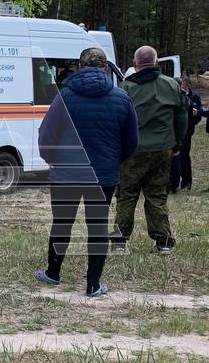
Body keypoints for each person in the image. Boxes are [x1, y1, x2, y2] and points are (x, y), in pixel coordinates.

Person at [35, 46, 138, 297]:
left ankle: (53, 273)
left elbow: (46, 136)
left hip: (66, 174)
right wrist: (113, 160)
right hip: (102, 176)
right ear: (105, 68)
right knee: (98, 227)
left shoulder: (64, 96)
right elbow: (132, 141)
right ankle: (93, 285)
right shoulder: (121, 98)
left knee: (61, 224)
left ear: (79, 67)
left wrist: (53, 160)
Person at [112, 46, 188, 254]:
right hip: (162, 149)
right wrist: (177, 144)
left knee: (127, 195)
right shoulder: (171, 85)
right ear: (156, 63)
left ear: (135, 65)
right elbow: (182, 117)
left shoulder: (124, 88)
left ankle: (119, 242)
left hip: (132, 151)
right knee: (157, 195)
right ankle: (163, 241)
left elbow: (117, 121)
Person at [170, 76, 206, 192]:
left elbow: (198, 114)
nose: (181, 87)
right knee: (175, 157)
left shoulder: (194, 97)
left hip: (188, 131)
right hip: (175, 132)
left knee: (185, 157)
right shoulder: (174, 96)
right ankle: (173, 183)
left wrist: (192, 121)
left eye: (183, 85)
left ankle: (187, 183)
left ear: (188, 85)